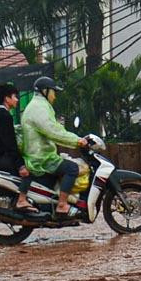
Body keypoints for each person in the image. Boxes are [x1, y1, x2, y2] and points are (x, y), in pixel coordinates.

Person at [16, 74, 86, 216]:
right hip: (41, 157)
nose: (55, 96)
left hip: (40, 154)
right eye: (53, 92)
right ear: (45, 91)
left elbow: (55, 128)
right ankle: (62, 205)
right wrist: (76, 141)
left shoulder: (38, 105)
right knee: (72, 168)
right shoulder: (39, 107)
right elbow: (53, 131)